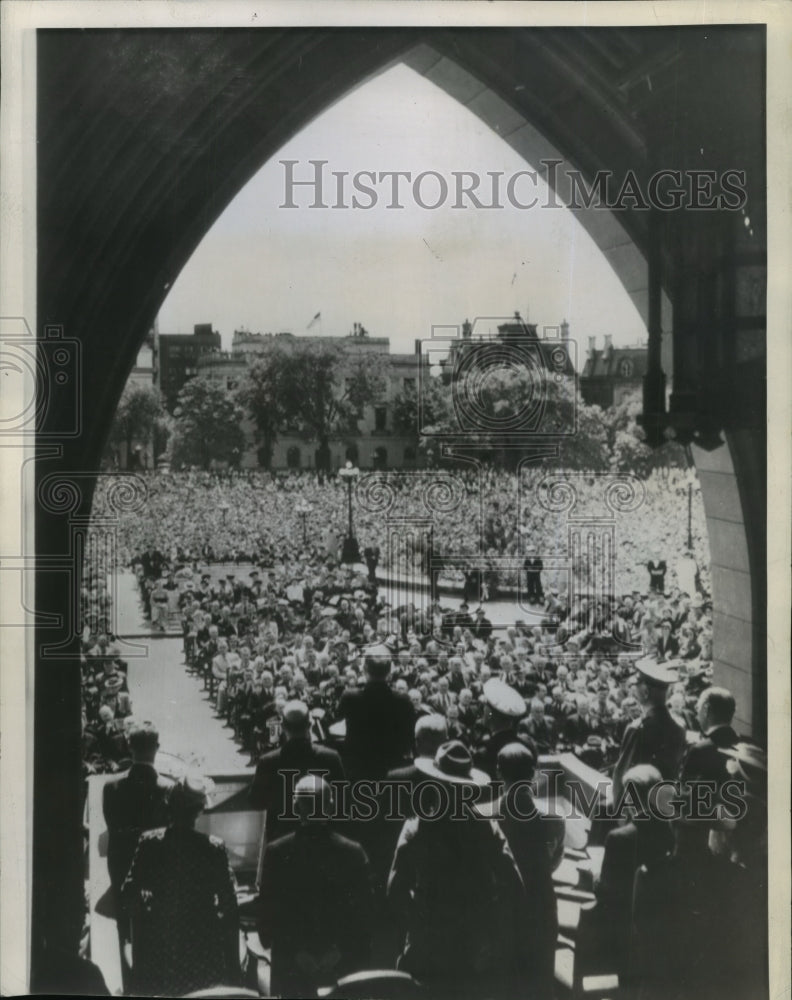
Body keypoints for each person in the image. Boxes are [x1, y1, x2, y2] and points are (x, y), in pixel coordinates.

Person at [387, 741, 529, 1000]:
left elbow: (394, 890)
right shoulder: (487, 828)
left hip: (427, 943)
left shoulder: (416, 829)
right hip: (474, 944)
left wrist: (416, 924)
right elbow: (515, 885)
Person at [121, 775, 241, 997]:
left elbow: (128, 892)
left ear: (169, 806)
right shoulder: (213, 848)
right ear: (198, 811)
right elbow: (229, 904)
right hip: (203, 948)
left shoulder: (150, 843)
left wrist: (150, 906)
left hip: (161, 945)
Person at [256, 776, 373, 998]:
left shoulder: (276, 853)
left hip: (292, 967)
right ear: (330, 808)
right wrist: (337, 952)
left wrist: (297, 953)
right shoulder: (354, 853)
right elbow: (365, 914)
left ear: (295, 807)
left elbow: (267, 918)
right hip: (342, 968)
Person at [478, 742, 565, 1000]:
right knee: (539, 983)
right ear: (534, 773)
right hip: (541, 906)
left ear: (498, 773)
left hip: (499, 907)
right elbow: (554, 862)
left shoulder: (484, 815)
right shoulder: (554, 816)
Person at [592, 764, 672, 978]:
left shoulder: (619, 838)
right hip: (662, 933)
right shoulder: (672, 834)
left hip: (623, 935)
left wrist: (595, 879)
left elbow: (606, 893)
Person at [102, 722, 175, 916]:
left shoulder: (111, 787)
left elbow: (113, 828)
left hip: (120, 872)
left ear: (129, 747)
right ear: (157, 748)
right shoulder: (169, 788)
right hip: (157, 873)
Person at [249, 699, 345, 843]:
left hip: (280, 838)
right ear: (310, 725)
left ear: (283, 726)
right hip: (323, 839)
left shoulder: (268, 761)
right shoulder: (330, 757)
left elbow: (255, 801)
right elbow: (341, 801)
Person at [611, 658, 686, 800]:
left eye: (636, 686)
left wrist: (618, 812)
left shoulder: (637, 729)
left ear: (645, 691)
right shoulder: (679, 727)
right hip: (665, 804)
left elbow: (620, 777)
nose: (633, 691)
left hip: (639, 808)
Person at [339, 643, 415, 781]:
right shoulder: (403, 700)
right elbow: (409, 737)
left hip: (358, 772)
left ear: (364, 669)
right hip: (392, 771)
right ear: (389, 672)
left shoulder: (350, 697)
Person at [679, 686, 740, 790]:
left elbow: (683, 795)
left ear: (706, 710)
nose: (696, 714)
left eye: (698, 707)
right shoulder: (748, 745)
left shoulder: (699, 751)